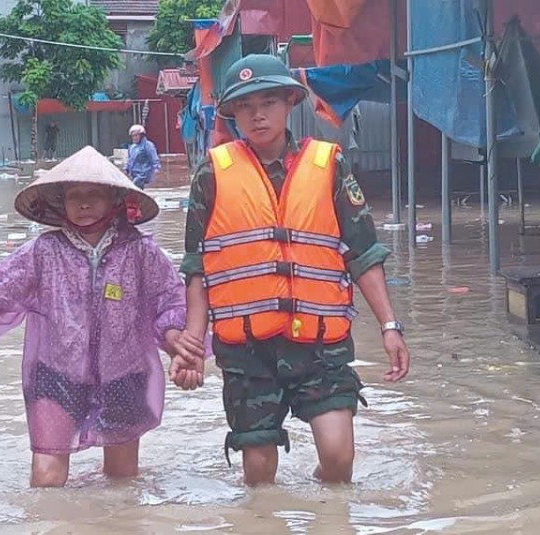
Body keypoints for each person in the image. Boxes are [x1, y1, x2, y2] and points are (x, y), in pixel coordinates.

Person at [169, 54, 411, 487]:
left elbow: (363, 253)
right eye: (244, 106)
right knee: (259, 475)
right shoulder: (212, 172)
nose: (257, 115)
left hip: (321, 343)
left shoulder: (329, 165)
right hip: (246, 349)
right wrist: (192, 341)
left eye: (267, 102)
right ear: (233, 114)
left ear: (289, 102)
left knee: (338, 461)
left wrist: (390, 326)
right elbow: (198, 267)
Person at [0, 146, 196, 487]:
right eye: (74, 196)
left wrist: (175, 340)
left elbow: (171, 302)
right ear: (61, 202)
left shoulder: (141, 251)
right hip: (55, 375)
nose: (83, 204)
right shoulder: (42, 252)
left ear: (114, 200)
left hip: (126, 374)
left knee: (122, 483)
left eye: (94, 195)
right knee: (47, 479)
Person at [124, 124, 161, 189]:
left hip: (143, 174)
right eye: (133, 136)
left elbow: (154, 157)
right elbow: (130, 160)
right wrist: (126, 169)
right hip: (134, 173)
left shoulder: (148, 145)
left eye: (136, 135)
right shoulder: (132, 147)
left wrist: (156, 168)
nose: (134, 138)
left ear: (141, 135)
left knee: (133, 187)